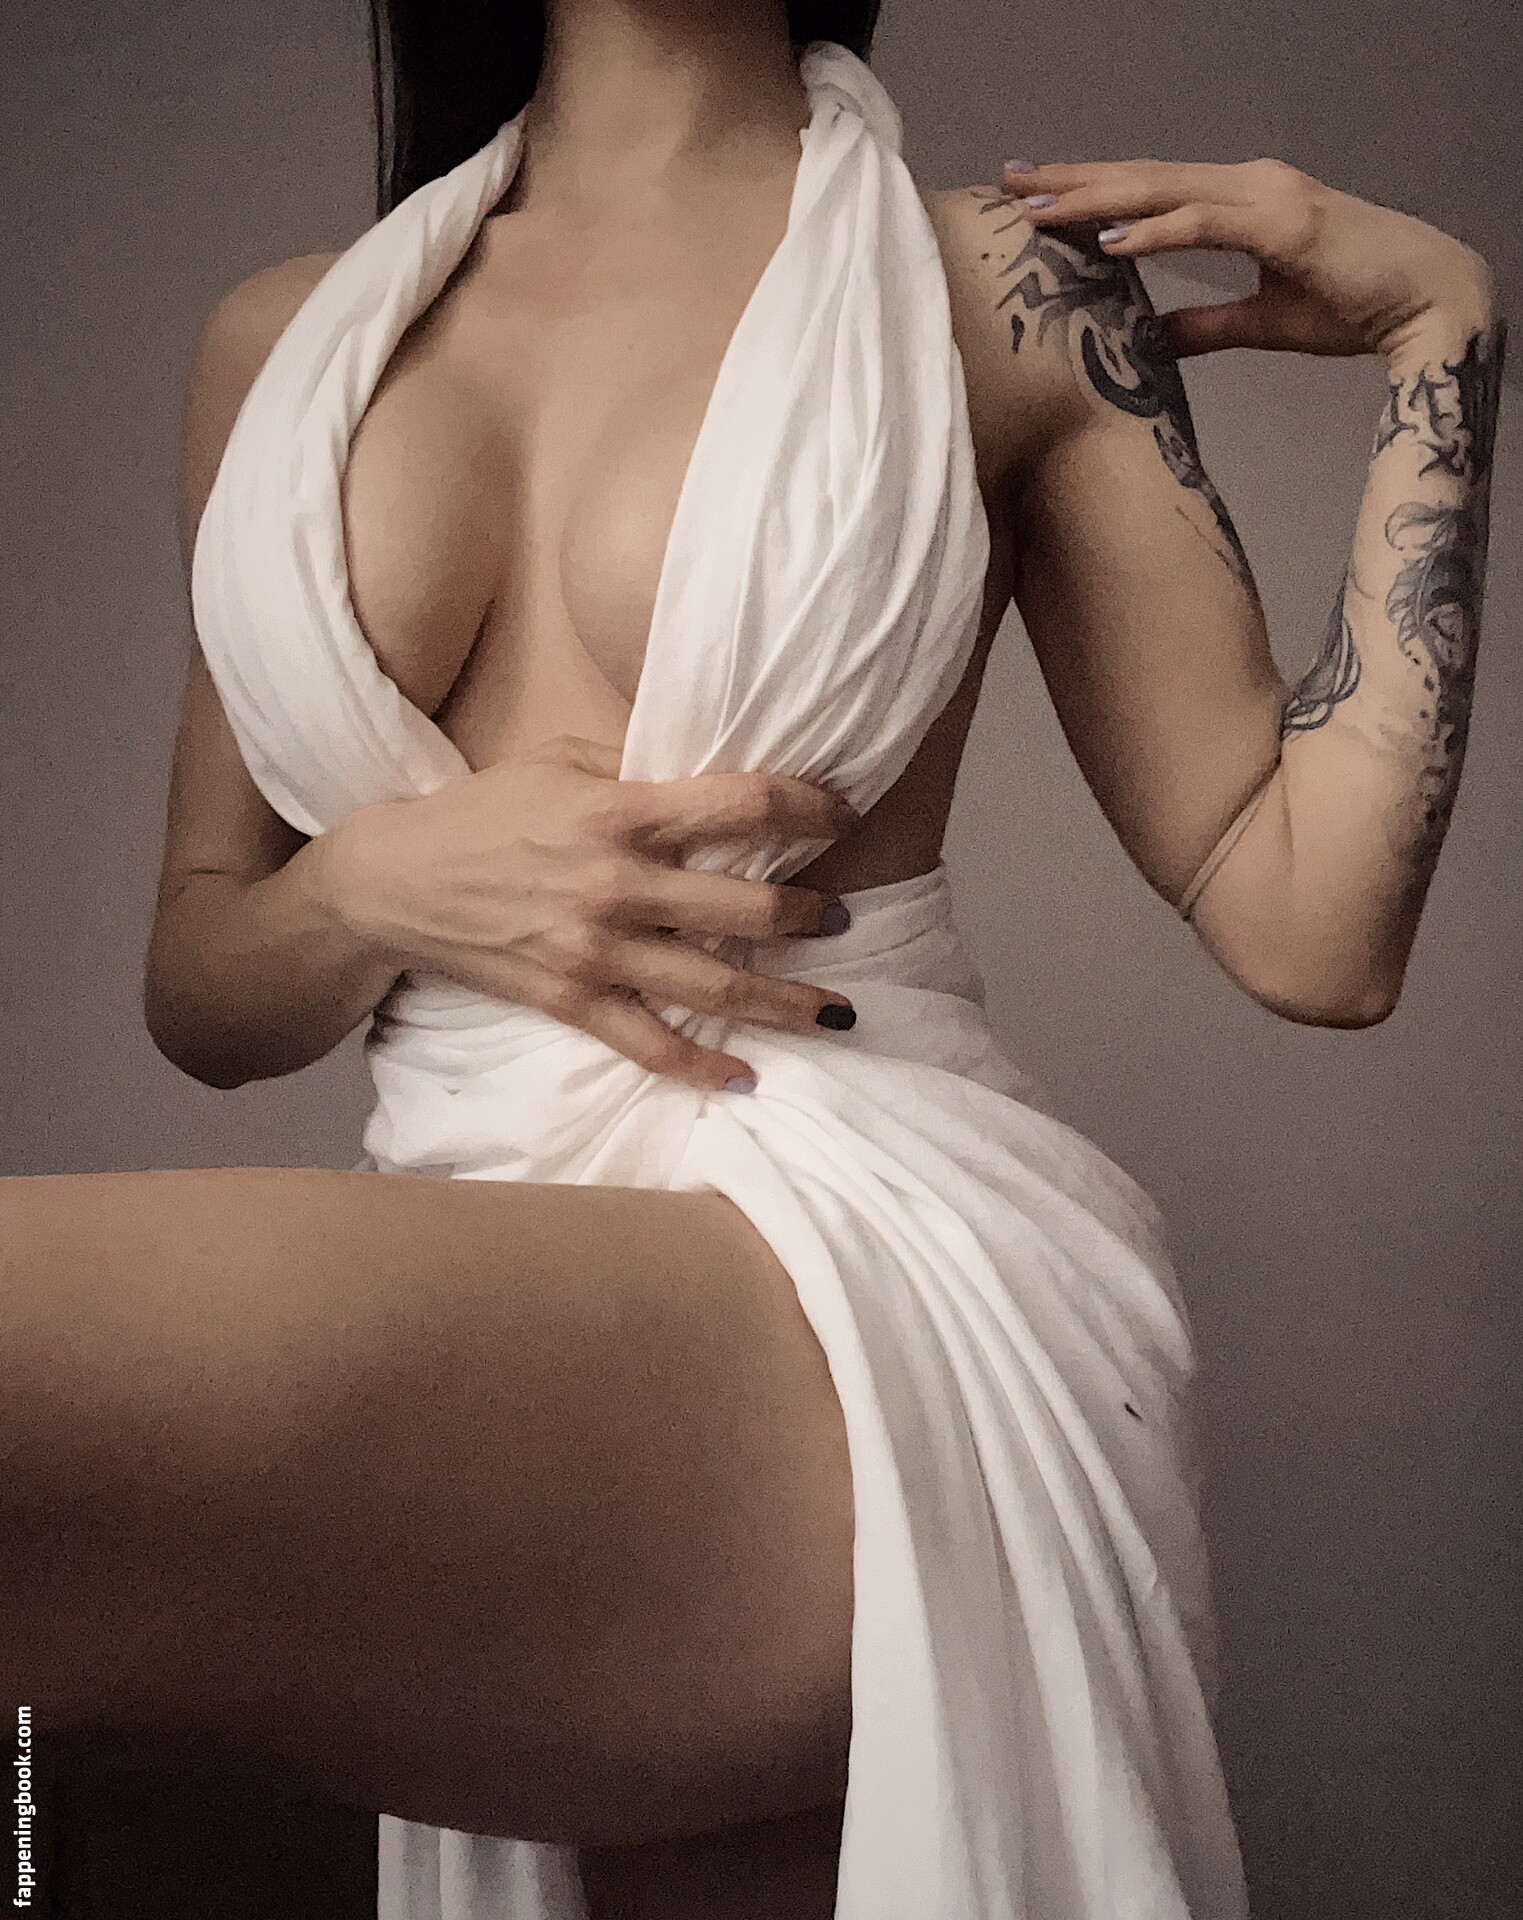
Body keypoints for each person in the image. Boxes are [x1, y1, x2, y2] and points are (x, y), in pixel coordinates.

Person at [5, 1, 1505, 1916]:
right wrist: (369, 887)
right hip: (465, 1237)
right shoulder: (282, 341)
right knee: (83, 1795)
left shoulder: (998, 284)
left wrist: (1441, 339)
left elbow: (1314, 922)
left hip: (837, 1284)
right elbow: (206, 981)